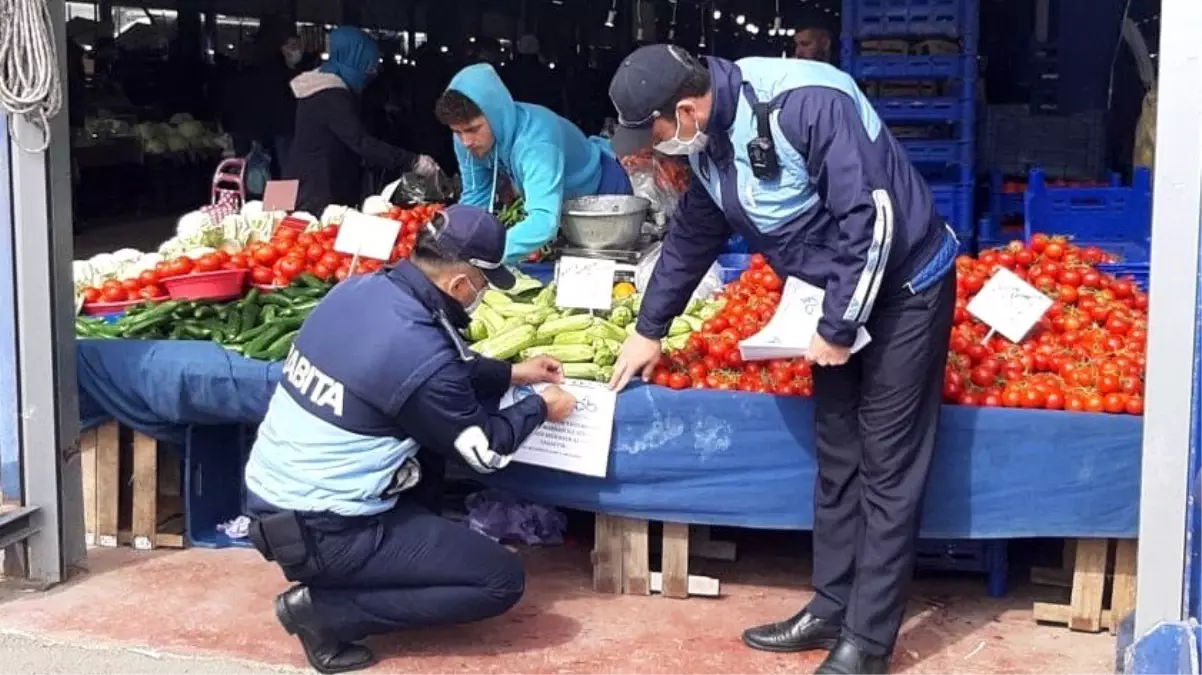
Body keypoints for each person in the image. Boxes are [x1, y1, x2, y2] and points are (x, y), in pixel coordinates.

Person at [605, 45, 958, 675]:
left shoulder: (804, 105)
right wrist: (649, 328)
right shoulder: (707, 141)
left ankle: (868, 643)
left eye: (653, 134)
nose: (652, 149)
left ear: (684, 108)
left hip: (904, 289)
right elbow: (693, 235)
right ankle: (830, 605)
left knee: (887, 463)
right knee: (838, 449)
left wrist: (840, 324)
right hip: (834, 294)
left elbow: (873, 221)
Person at [243, 203, 579, 675]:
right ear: (460, 284)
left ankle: (372, 566)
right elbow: (484, 451)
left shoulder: (360, 290)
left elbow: (428, 366)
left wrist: (511, 374)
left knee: (428, 450)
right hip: (323, 532)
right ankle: (324, 613)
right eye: (482, 285)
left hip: (274, 502)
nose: (480, 295)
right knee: (499, 580)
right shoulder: (422, 352)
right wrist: (542, 406)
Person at [435, 63, 633, 264]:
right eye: (457, 132)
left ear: (495, 115)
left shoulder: (536, 142)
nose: (466, 142)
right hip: (558, 207)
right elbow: (475, 197)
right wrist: (454, 248)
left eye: (473, 129)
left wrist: (488, 258)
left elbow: (544, 220)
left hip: (601, 195)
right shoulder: (467, 140)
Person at [285, 27, 438, 213]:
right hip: (315, 189)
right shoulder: (332, 95)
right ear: (354, 58)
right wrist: (412, 161)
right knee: (311, 236)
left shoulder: (316, 87)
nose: (372, 71)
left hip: (295, 177)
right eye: (368, 63)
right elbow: (361, 142)